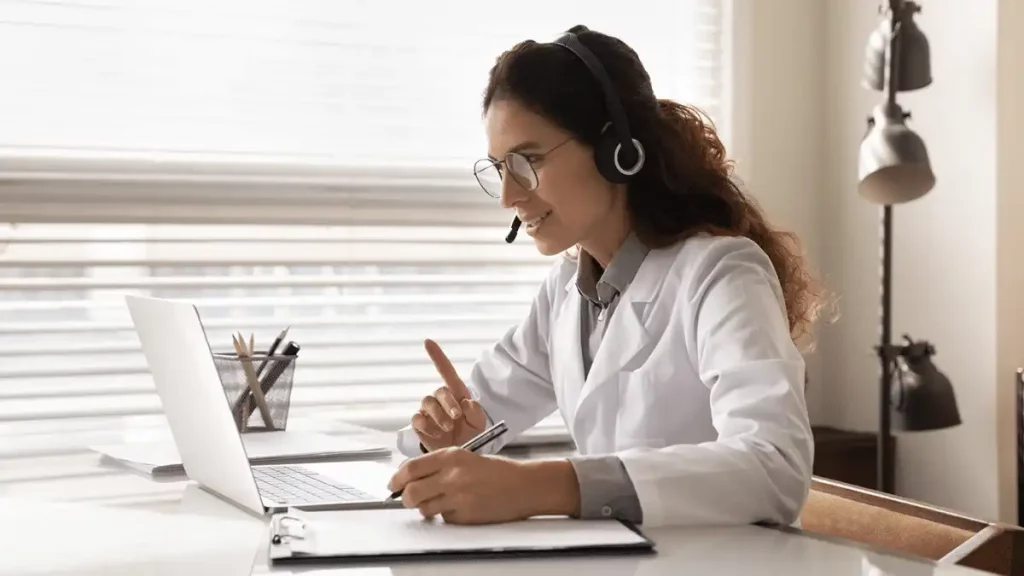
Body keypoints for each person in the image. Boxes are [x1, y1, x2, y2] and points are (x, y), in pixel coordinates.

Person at [386, 25, 825, 528]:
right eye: (499, 168)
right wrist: (442, 437)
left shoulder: (721, 274)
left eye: (527, 162)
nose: (508, 196)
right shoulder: (567, 291)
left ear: (616, 149)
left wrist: (541, 486)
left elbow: (775, 467)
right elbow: (478, 412)